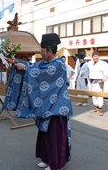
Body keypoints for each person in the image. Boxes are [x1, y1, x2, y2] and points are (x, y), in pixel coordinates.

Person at [5, 33, 73, 170]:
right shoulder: (44, 63)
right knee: (45, 134)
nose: (41, 54)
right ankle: (47, 159)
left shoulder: (59, 65)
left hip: (57, 108)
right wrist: (15, 61)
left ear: (49, 50)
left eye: (43, 51)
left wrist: (25, 68)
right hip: (47, 106)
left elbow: (38, 72)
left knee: (55, 136)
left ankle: (56, 163)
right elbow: (33, 66)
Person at [87, 51, 108, 116]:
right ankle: (95, 106)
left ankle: (100, 108)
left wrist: (106, 77)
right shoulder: (90, 63)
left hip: (99, 81)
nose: (96, 57)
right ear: (92, 57)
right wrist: (88, 76)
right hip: (92, 81)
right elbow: (86, 70)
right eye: (94, 56)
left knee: (99, 95)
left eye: (97, 56)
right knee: (93, 95)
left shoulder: (103, 63)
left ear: (98, 56)